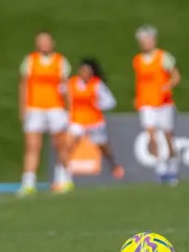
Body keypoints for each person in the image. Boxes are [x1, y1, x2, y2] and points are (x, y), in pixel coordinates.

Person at [18, 31, 72, 196]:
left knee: (60, 144)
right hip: (35, 108)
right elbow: (24, 86)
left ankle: (64, 178)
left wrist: (70, 109)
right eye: (41, 41)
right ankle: (28, 182)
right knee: (32, 145)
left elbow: (67, 87)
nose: (44, 44)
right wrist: (23, 108)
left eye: (47, 41)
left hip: (56, 107)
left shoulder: (60, 61)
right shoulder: (30, 61)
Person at [133, 25, 181, 185]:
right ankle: (160, 169)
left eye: (148, 39)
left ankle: (173, 166)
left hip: (163, 102)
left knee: (167, 135)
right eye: (143, 40)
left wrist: (167, 86)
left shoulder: (163, 57)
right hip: (146, 102)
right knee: (151, 135)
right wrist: (137, 97)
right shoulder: (138, 60)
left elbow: (176, 76)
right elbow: (140, 81)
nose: (145, 43)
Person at [67, 58, 124, 181]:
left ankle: (114, 166)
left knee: (103, 146)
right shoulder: (72, 83)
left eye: (87, 71)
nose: (84, 74)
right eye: (82, 70)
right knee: (67, 146)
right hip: (77, 120)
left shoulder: (97, 84)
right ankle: (63, 176)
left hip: (94, 122)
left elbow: (110, 102)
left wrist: (98, 104)